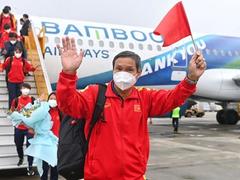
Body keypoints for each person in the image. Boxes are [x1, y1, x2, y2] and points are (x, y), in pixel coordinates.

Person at [56, 37, 206, 179]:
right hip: (98, 176)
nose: (123, 73)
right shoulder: (95, 94)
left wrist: (191, 79)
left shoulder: (145, 97)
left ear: (138, 73)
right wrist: (68, 73)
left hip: (134, 176)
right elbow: (67, 104)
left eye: (129, 70)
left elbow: (173, 98)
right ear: (113, 70)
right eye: (119, 68)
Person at [10, 83, 35, 176]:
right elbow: (11, 112)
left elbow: (37, 113)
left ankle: (30, 166)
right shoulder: (16, 100)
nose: (26, 90)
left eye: (28, 88)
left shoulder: (32, 100)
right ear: (20, 89)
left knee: (30, 147)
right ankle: (21, 157)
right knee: (18, 144)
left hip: (29, 128)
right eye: (24, 88)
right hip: (19, 128)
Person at [41, 92, 61, 180]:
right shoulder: (44, 111)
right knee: (44, 167)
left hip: (56, 143)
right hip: (45, 142)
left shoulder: (61, 112)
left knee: (55, 167)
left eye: (55, 99)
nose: (53, 101)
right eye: (51, 99)